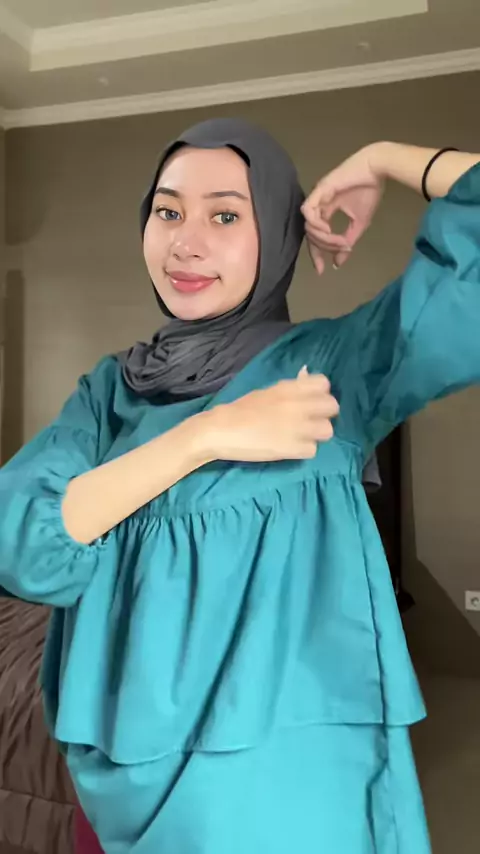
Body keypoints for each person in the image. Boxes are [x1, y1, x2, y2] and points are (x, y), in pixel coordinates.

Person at [0, 118, 478, 854]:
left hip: (284, 792)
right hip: (117, 788)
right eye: (168, 212)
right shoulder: (109, 393)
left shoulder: (335, 368)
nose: (185, 243)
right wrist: (205, 436)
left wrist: (382, 158)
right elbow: (25, 545)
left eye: (225, 216)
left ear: (279, 235)